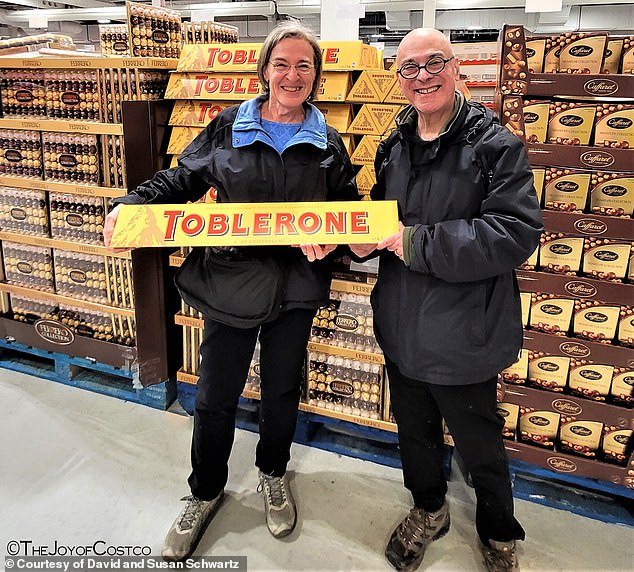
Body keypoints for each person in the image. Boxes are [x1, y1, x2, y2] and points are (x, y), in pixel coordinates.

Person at [103, 21, 358, 562]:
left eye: (304, 66)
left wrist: (332, 243)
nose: (293, 75)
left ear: (317, 76)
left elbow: (348, 213)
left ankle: (272, 473)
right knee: (216, 395)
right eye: (282, 64)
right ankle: (204, 490)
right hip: (229, 283)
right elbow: (181, 180)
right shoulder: (228, 127)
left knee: (282, 391)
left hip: (294, 290)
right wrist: (133, 203)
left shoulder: (329, 143)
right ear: (264, 71)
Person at [350, 29, 543, 572]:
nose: (422, 76)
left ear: (456, 68)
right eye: (409, 68)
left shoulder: (493, 146)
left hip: (465, 333)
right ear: (398, 79)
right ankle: (429, 508)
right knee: (414, 435)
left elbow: (514, 232)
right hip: (402, 323)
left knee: (479, 445)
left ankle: (498, 531)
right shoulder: (393, 147)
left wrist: (415, 242)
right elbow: (382, 224)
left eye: (434, 62)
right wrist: (353, 239)